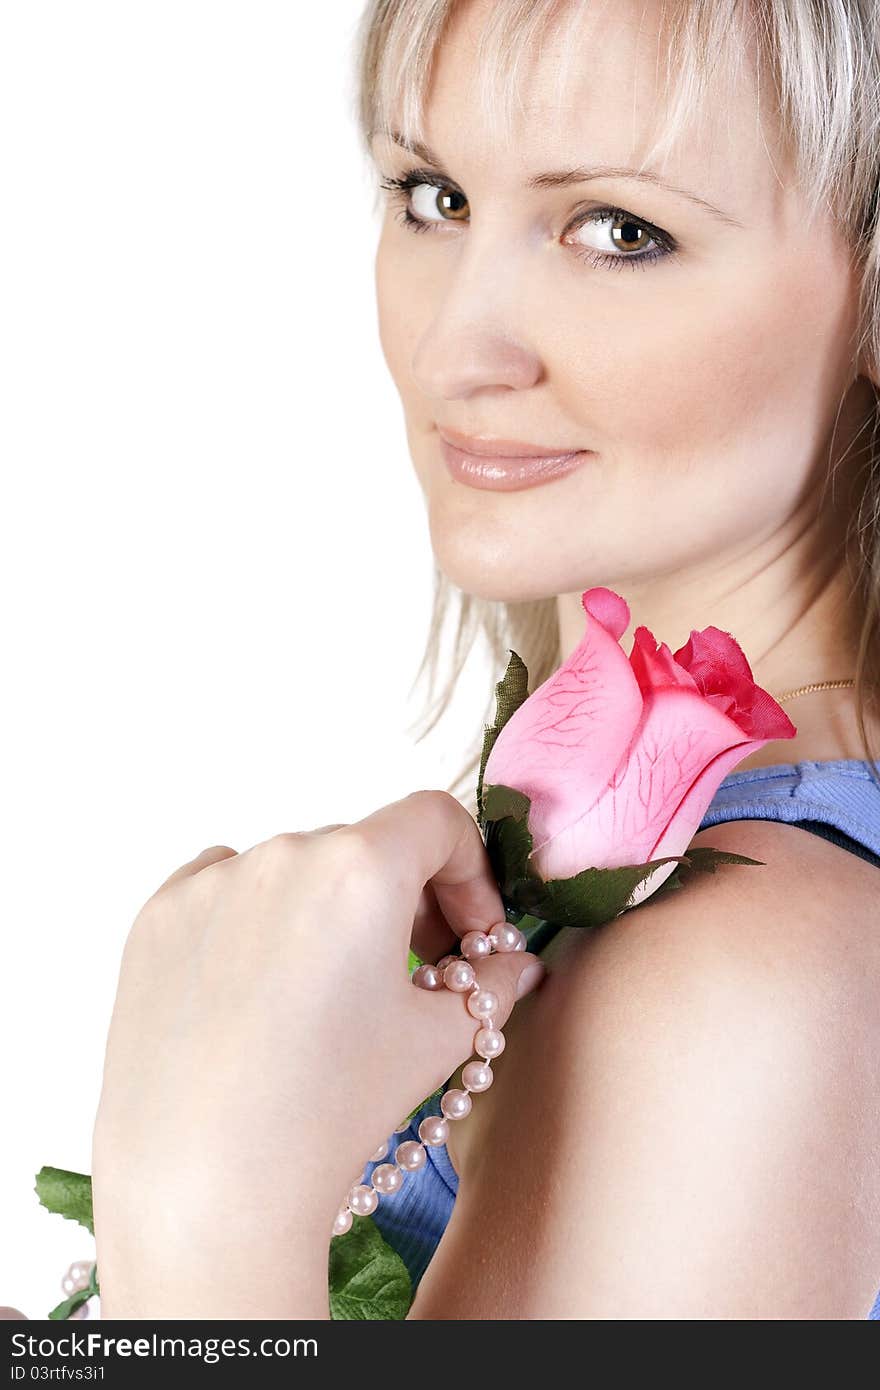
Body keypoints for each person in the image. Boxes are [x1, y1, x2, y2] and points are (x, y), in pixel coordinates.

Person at [91, 0, 880, 1319]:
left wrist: (203, 1236)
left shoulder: (739, 995)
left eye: (621, 231)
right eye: (434, 193)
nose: (456, 347)